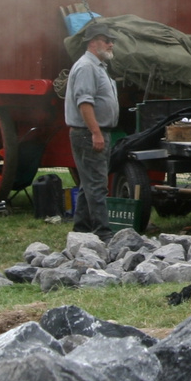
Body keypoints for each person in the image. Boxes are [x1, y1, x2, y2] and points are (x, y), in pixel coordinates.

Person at [65, 20, 119, 236]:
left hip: (94, 133)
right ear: (93, 43)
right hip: (89, 134)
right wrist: (96, 132)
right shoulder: (87, 67)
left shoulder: (97, 66)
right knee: (97, 186)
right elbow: (84, 103)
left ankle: (81, 231)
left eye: (112, 41)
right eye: (107, 41)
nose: (111, 44)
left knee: (90, 185)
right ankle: (102, 233)